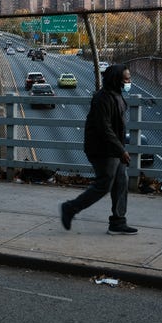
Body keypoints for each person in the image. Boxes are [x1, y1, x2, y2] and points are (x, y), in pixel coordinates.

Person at [60, 64, 138, 234]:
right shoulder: (102, 99)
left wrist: (119, 149)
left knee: (120, 183)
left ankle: (118, 222)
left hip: (114, 148)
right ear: (116, 80)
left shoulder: (116, 95)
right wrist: (121, 150)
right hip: (102, 149)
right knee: (104, 184)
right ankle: (70, 208)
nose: (129, 81)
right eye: (126, 79)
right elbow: (105, 128)